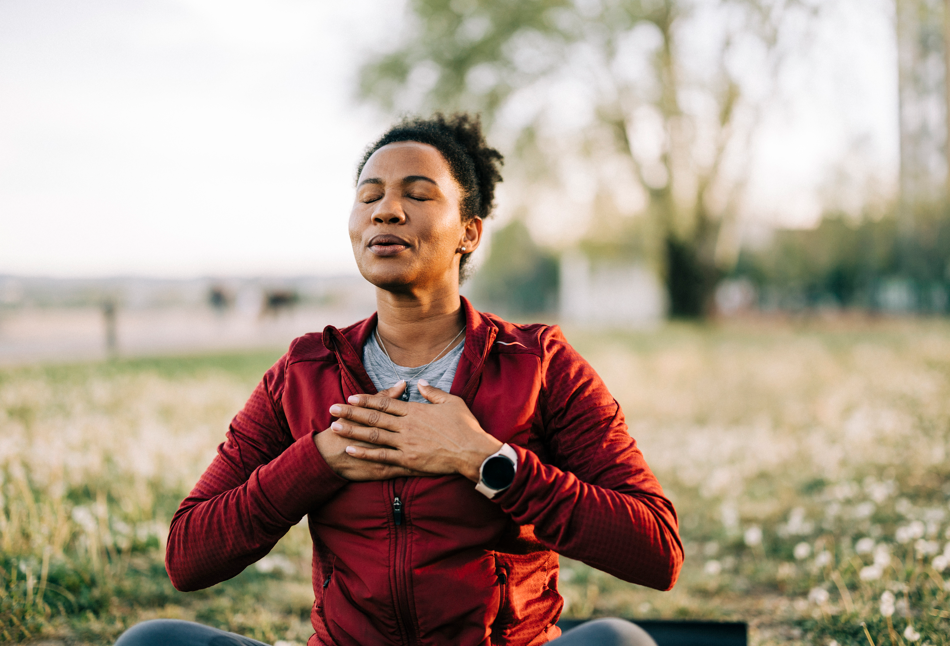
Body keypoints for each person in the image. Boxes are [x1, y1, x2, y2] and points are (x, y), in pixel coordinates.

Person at [116, 113, 683, 646]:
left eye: (417, 194)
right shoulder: (303, 372)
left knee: (618, 640)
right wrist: (317, 461)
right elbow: (188, 557)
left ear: (469, 231)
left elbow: (657, 550)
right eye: (369, 196)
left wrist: (484, 459)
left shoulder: (540, 364)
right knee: (152, 642)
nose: (385, 211)